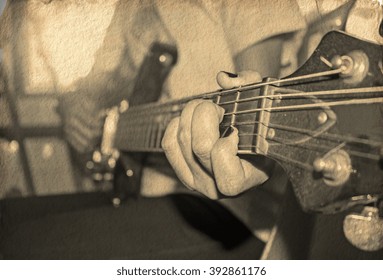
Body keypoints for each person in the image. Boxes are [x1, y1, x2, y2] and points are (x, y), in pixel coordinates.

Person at [1, 0, 380, 259]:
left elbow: (256, 91)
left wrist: (244, 147)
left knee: (19, 246)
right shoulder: (130, 6)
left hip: (231, 212)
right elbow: (100, 78)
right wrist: (73, 105)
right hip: (146, 184)